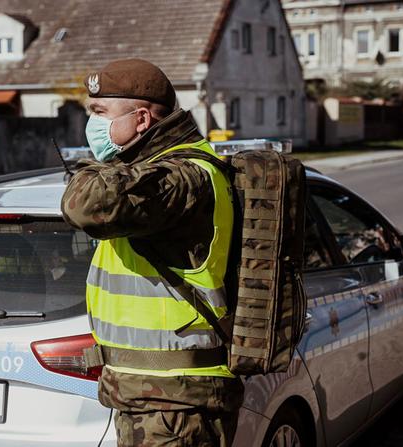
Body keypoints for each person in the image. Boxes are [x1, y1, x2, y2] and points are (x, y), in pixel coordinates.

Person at [61, 58, 244, 447]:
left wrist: (90, 167)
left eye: (99, 112)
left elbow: (87, 203)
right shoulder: (152, 171)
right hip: (154, 396)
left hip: (177, 404)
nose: (92, 124)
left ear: (142, 120)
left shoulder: (183, 176)